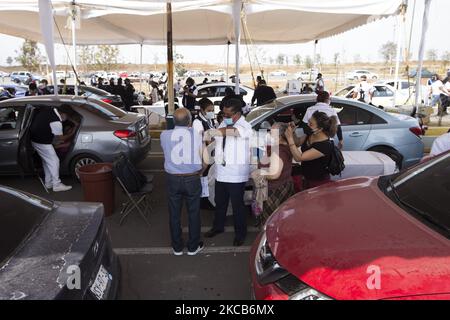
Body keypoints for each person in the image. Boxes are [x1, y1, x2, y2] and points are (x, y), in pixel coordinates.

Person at [204, 98, 252, 247]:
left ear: (237, 113)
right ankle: (218, 227)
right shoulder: (225, 123)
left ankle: (240, 234)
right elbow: (219, 137)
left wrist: (215, 131)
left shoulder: (245, 125)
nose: (225, 116)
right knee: (220, 203)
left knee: (237, 206)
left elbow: (233, 132)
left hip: (236, 174)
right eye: (223, 113)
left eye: (228, 114)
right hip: (221, 171)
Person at [160, 108, 205, 256]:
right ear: (189, 121)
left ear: (173, 120)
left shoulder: (164, 135)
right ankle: (193, 247)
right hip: (192, 178)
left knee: (174, 213)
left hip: (173, 178)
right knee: (194, 213)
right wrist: (201, 172)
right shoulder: (198, 136)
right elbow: (205, 159)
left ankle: (177, 247)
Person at [251, 122, 294, 224]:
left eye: (271, 131)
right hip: (284, 185)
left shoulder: (278, 151)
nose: (269, 133)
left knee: (271, 221)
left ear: (279, 135)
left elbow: (274, 174)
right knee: (281, 219)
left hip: (274, 191)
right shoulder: (285, 146)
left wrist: (259, 173)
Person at [285, 111, 338, 189]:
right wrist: (293, 133)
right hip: (306, 176)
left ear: (320, 129)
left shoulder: (325, 145)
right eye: (308, 122)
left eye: (311, 124)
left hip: (317, 181)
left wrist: (289, 138)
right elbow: (298, 142)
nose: (308, 125)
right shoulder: (311, 133)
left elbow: (299, 158)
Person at [29, 107, 73, 192]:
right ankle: (57, 185)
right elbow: (60, 138)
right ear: (63, 114)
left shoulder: (49, 110)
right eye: (67, 117)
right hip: (42, 142)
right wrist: (72, 133)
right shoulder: (56, 121)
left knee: (47, 162)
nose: (66, 119)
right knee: (54, 161)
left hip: (35, 139)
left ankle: (48, 183)